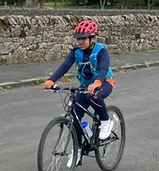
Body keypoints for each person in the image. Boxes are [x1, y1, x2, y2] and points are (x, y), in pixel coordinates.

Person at [43, 19, 116, 148]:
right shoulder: (76, 51)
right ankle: (78, 150)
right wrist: (51, 80)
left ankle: (105, 121)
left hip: (104, 82)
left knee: (93, 96)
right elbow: (65, 66)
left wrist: (97, 82)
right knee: (75, 116)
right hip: (86, 85)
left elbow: (104, 68)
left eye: (83, 39)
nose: (80, 42)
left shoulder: (101, 51)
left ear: (92, 38)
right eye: (78, 39)